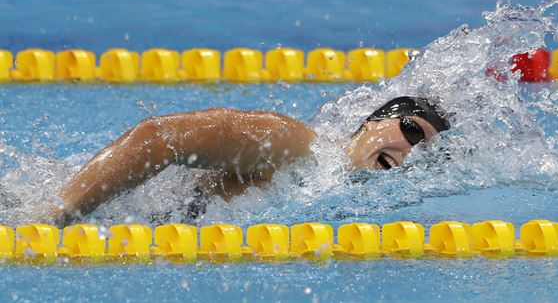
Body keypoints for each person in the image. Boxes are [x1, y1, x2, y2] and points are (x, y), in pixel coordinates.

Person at [45, 96, 449, 224]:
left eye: (425, 151)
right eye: (411, 131)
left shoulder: (345, 190)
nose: (410, 151)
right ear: (372, 121)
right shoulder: (296, 145)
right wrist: (53, 217)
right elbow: (159, 137)